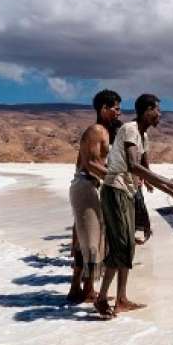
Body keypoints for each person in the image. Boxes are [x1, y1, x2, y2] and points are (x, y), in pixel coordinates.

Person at [94, 94, 173, 318]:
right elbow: (133, 166)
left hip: (127, 191)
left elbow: (147, 176)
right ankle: (102, 298)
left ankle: (121, 299)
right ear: (147, 110)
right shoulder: (129, 129)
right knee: (121, 245)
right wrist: (170, 183)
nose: (160, 115)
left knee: (128, 246)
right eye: (157, 110)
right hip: (115, 189)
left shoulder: (143, 136)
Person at [67, 89, 122, 303]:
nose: (118, 112)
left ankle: (78, 289)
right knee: (91, 240)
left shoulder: (105, 132)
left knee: (89, 239)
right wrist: (116, 179)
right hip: (86, 185)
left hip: (93, 185)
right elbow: (90, 163)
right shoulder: (96, 130)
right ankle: (87, 290)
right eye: (115, 108)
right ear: (104, 108)